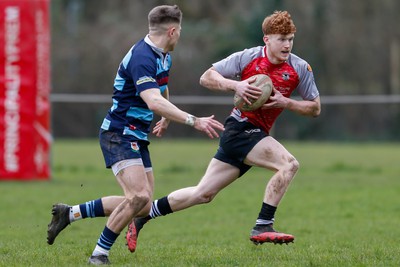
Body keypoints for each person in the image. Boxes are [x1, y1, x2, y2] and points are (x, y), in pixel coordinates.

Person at [125, 10, 321, 252]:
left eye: (290, 38)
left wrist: (287, 102)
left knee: (202, 194)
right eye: (281, 39)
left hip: (256, 134)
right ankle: (263, 225)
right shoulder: (248, 58)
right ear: (266, 39)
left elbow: (314, 108)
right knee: (289, 164)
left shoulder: (300, 68)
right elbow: (206, 77)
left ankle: (142, 217)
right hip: (240, 129)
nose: (287, 44)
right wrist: (235, 84)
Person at [46, 5, 224, 265]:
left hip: (136, 134)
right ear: (172, 31)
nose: (180, 36)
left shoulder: (163, 54)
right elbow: (152, 100)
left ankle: (69, 213)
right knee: (139, 196)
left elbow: (161, 88)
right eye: (180, 32)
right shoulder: (142, 57)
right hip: (118, 132)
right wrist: (192, 120)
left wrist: (166, 115)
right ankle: (99, 254)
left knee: (141, 204)